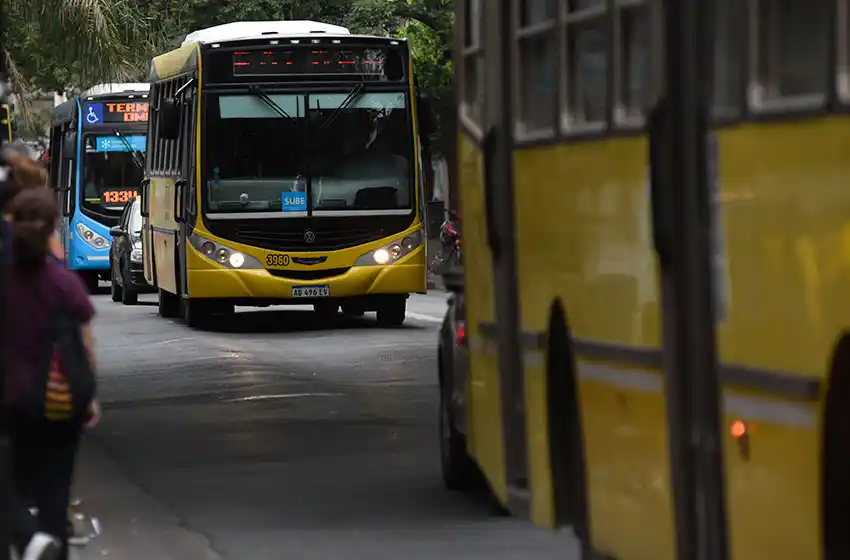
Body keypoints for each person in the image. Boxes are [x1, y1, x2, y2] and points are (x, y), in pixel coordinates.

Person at [3, 188, 101, 560]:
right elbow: (84, 346)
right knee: (54, 494)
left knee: (10, 486)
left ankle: (28, 539)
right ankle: (48, 544)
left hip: (10, 403)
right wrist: (89, 396)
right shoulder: (64, 283)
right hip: (60, 402)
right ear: (53, 230)